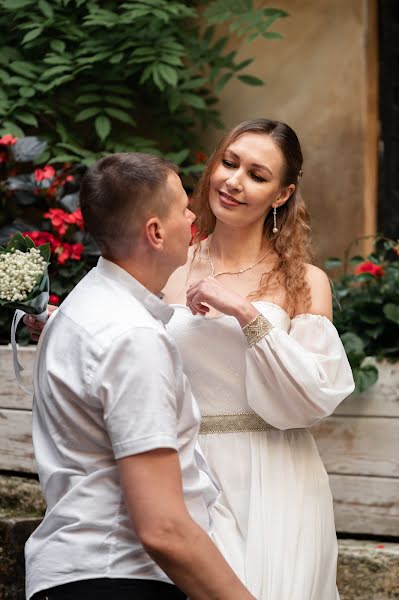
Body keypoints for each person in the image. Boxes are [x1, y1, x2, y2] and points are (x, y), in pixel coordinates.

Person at [24, 153, 255, 600]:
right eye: (183, 208)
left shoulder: (82, 306)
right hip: (116, 577)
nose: (193, 216)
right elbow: (163, 527)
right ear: (155, 232)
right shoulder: (132, 336)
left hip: (83, 573)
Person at [161, 118, 355, 600]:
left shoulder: (305, 282)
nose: (233, 181)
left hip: (277, 476)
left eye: (257, 174)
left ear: (282, 195)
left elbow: (313, 397)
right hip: (187, 471)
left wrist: (244, 312)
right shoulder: (167, 266)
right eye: (229, 163)